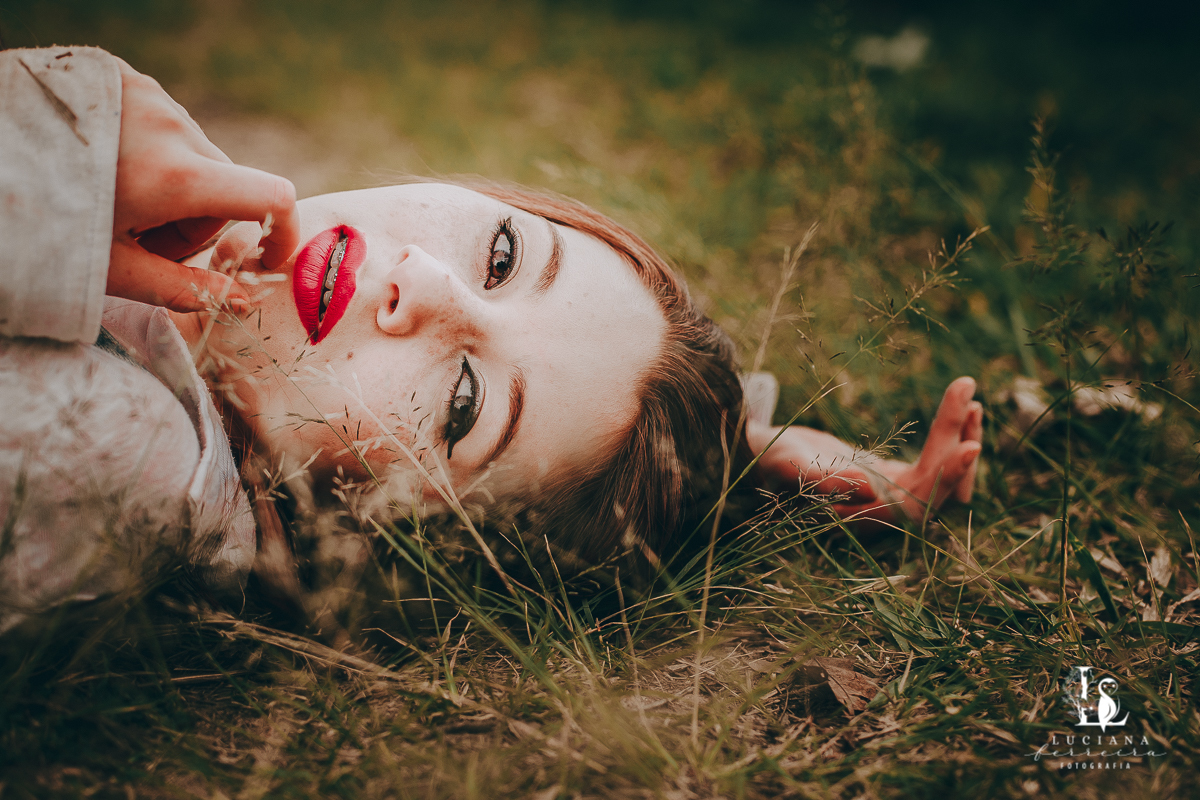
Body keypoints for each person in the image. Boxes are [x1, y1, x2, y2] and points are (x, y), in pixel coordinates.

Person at [0, 46, 983, 634]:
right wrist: (750, 454)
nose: (425, 282)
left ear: (378, 541)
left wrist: (53, 159)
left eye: (466, 403)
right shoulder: (176, 249)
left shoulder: (107, 452)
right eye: (506, 254)